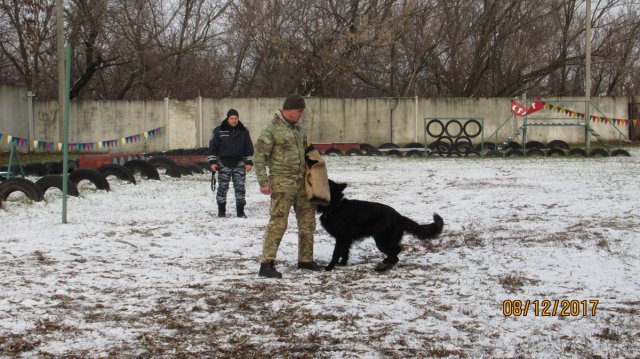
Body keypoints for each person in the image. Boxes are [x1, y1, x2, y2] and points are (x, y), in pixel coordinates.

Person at [253, 94, 323, 278]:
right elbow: (259, 157)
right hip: (282, 182)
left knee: (308, 221)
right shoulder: (271, 129)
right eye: (299, 111)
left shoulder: (299, 130)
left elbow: (309, 150)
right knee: (278, 222)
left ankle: (305, 260)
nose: (301, 114)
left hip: (302, 183)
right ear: (289, 109)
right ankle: (266, 264)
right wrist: (263, 182)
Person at [208, 109, 254, 218]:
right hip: (223, 163)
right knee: (223, 188)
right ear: (227, 118)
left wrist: (249, 163)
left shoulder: (244, 131)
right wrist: (212, 162)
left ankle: (240, 212)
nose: (234, 120)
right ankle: (221, 211)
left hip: (239, 163)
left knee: (240, 188)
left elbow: (249, 148)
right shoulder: (218, 131)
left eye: (236, 118)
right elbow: (212, 148)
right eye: (232, 118)